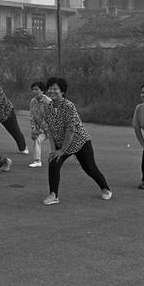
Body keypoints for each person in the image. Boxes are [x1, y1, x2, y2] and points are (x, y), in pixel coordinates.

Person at [41, 77, 112, 206]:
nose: (52, 91)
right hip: (60, 142)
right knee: (53, 161)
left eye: (55, 88)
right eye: (50, 88)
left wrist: (62, 150)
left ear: (62, 91)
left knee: (90, 168)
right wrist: (54, 150)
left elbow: (71, 130)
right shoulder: (48, 106)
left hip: (79, 142)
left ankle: (106, 189)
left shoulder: (68, 106)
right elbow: (50, 130)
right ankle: (53, 195)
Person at [28, 81, 52, 168]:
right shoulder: (32, 101)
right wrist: (34, 129)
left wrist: (39, 130)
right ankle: (37, 161)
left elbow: (49, 119)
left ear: (42, 91)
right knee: (37, 139)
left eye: (36, 89)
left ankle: (79, 155)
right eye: (33, 89)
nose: (34, 91)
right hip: (41, 130)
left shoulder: (48, 101)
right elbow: (32, 116)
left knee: (65, 144)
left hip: (53, 129)